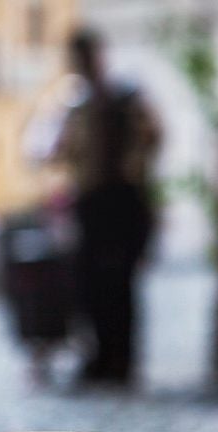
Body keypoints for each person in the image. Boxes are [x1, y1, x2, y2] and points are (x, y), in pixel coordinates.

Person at [54, 28, 161, 386]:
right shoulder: (76, 102)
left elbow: (152, 136)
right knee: (90, 285)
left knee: (120, 284)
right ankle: (100, 357)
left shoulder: (126, 95)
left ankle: (122, 359)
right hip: (92, 202)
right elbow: (62, 149)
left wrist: (132, 167)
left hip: (124, 200)